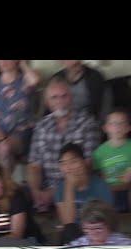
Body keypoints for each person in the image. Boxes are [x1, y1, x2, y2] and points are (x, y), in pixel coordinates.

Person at [27, 78, 101, 212]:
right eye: (54, 97)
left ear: (71, 98)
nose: (59, 101)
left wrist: (55, 192)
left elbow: (88, 166)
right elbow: (34, 166)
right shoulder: (42, 126)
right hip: (47, 189)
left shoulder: (87, 123)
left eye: (64, 96)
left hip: (79, 187)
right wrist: (36, 192)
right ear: (47, 102)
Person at [0, 60, 41, 172]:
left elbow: (35, 81)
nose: (3, 61)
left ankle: (6, 185)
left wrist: (23, 64)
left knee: (4, 147)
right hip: (0, 131)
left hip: (23, 133)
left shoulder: (26, 79)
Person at [55, 143, 113, 244]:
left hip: (97, 232)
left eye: (73, 161)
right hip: (74, 235)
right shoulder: (60, 188)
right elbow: (68, 222)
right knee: (69, 230)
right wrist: (69, 186)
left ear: (84, 162)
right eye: (63, 163)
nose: (68, 167)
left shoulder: (100, 185)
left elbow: (107, 220)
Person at [93, 109, 131, 212]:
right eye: (113, 123)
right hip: (109, 190)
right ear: (106, 128)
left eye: (122, 123)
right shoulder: (99, 152)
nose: (117, 127)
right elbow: (97, 173)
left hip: (127, 189)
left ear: (128, 128)